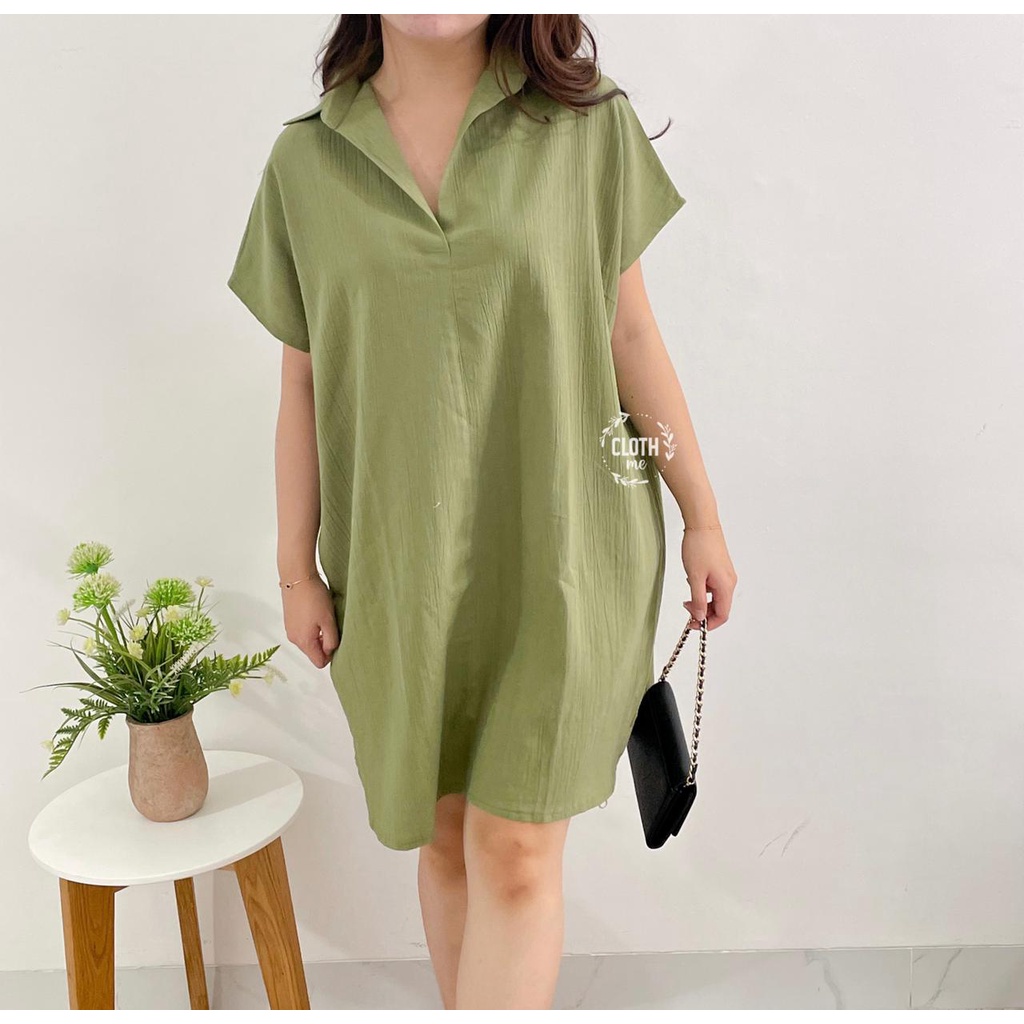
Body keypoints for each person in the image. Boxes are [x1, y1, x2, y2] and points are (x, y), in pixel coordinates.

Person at [227, 13, 737, 1011]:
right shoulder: (306, 163)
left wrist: (702, 516)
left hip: (568, 554)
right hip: (398, 571)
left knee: (513, 849)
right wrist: (296, 569)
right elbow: (302, 381)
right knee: (447, 836)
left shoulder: (586, 128)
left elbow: (631, 334)